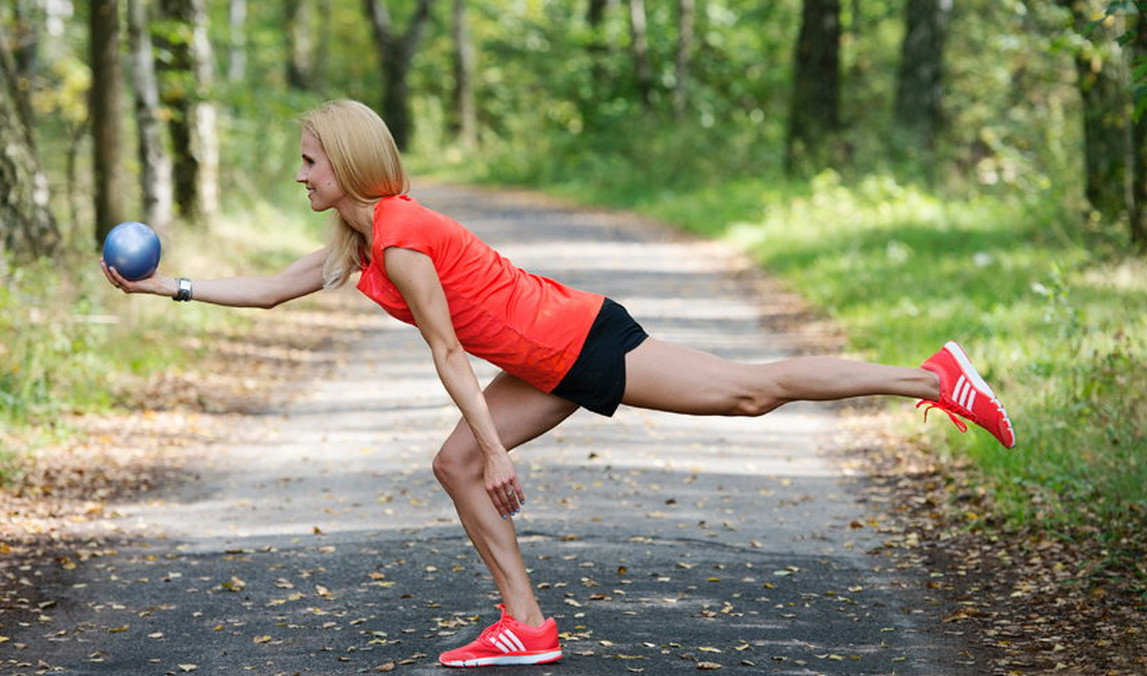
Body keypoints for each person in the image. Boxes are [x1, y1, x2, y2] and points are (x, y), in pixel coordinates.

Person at [102, 99, 1016, 669]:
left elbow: (450, 355)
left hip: (577, 341)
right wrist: (163, 287)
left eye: (309, 159)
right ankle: (526, 626)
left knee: (751, 389)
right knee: (454, 467)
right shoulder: (359, 236)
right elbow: (266, 291)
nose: (298, 173)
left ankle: (930, 378)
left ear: (346, 163)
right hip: (544, 357)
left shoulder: (402, 237)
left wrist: (500, 448)